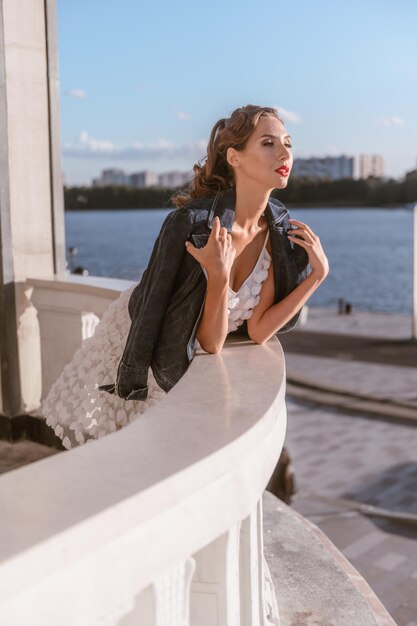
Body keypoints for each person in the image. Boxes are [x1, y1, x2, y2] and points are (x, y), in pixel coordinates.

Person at [40, 104, 329, 623]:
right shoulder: (191, 223)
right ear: (234, 157)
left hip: (183, 352)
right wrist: (217, 278)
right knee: (124, 476)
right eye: (268, 143)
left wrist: (315, 278)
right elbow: (194, 334)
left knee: (153, 489)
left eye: (287, 142)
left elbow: (258, 330)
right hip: (140, 348)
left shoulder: (280, 235)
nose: (284, 152)